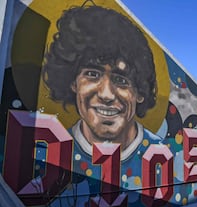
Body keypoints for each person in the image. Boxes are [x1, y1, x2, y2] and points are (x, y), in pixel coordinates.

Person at [41, 5, 162, 179]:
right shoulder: (47, 152)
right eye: (92, 74)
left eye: (121, 80)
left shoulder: (161, 150)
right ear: (73, 82)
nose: (106, 94)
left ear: (139, 92)